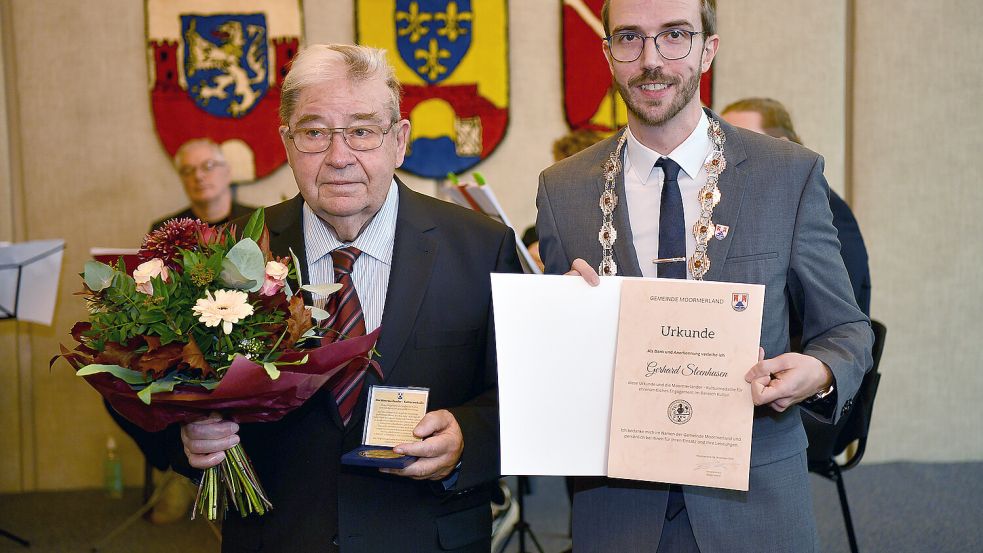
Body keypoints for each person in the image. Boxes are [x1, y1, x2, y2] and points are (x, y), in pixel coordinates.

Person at [535, 0, 873, 551]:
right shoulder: (563, 190)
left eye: (674, 35)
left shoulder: (787, 174)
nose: (650, 59)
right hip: (618, 508)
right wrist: (567, 317)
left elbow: (848, 331)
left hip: (755, 499)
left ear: (708, 49)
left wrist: (818, 371)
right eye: (629, 38)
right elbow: (557, 367)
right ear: (607, 53)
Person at [173, 44, 521, 552]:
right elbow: (177, 389)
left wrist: (469, 438)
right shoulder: (231, 253)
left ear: (399, 140)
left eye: (362, 131)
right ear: (287, 143)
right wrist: (187, 437)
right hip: (280, 536)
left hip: (427, 536)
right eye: (315, 133)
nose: (339, 157)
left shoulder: (480, 247)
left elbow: (521, 398)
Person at [720, 97, 871, 316]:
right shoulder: (728, 207)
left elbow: (837, 314)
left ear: (783, 146)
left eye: (746, 144)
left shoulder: (827, 209)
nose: (730, 157)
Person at [151, 138, 254, 230]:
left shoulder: (259, 221)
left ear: (227, 172)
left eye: (208, 166)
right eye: (187, 170)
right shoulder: (164, 231)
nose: (198, 176)